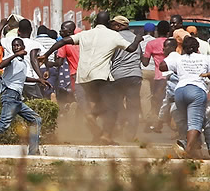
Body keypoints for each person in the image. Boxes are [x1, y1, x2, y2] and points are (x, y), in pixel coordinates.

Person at [41, 11, 143, 144]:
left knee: (100, 104)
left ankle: (93, 123)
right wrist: (137, 38)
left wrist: (46, 54)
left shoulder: (85, 34)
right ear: (108, 23)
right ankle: (105, 134)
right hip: (101, 77)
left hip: (82, 77)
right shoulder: (113, 35)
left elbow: (64, 41)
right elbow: (131, 48)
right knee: (113, 107)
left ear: (95, 23)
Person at [0, 38, 44, 155]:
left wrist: (38, 80)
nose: (16, 47)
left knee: (36, 119)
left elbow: (22, 78)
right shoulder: (12, 60)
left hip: (17, 98)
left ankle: (33, 152)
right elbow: (1, 65)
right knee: (2, 126)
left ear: (23, 47)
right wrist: (14, 55)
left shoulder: (23, 63)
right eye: (14, 46)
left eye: (18, 45)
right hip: (10, 95)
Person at [160, 36, 210, 158]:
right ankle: (188, 149)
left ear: (183, 48)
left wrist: (177, 67)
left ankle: (190, 144)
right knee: (195, 122)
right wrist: (205, 74)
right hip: (196, 90)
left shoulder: (179, 59)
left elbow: (162, 66)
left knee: (185, 121)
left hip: (179, 91)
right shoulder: (204, 58)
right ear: (197, 48)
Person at [109, 15, 143, 141]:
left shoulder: (114, 37)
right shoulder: (136, 38)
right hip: (135, 75)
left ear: (119, 26)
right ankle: (131, 134)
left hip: (118, 75)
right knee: (133, 106)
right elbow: (140, 57)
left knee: (116, 103)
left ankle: (119, 126)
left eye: (113, 25)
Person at [141, 20, 169, 130]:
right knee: (168, 99)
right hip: (170, 76)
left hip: (156, 75)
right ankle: (167, 122)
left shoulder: (150, 43)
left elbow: (145, 62)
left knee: (150, 98)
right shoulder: (171, 42)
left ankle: (151, 120)